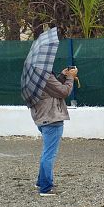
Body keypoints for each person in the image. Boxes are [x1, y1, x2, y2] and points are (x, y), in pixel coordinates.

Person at [30, 67, 77, 197]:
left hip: (42, 118)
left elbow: (52, 89)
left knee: (46, 152)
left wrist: (62, 76)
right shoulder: (45, 76)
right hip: (52, 118)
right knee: (49, 154)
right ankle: (46, 188)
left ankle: (41, 182)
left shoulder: (35, 76)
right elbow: (63, 91)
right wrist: (70, 77)